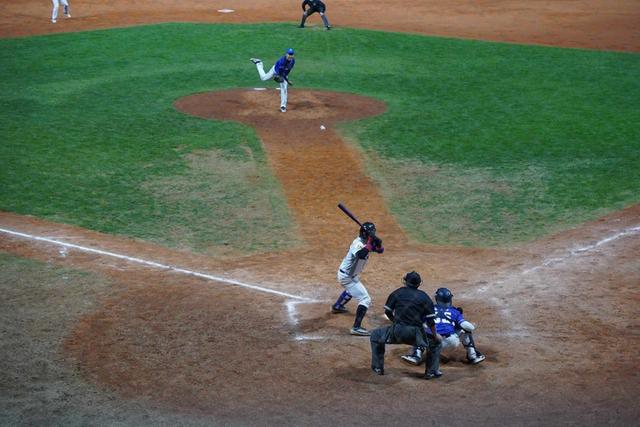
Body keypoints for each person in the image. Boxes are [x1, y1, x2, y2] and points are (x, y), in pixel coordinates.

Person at [370, 271, 443, 379]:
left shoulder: (397, 292)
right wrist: (435, 335)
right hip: (416, 335)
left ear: (405, 281)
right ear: (419, 283)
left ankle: (378, 368)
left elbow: (387, 312)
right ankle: (431, 372)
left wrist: (395, 321)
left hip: (397, 332)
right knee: (436, 343)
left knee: (375, 335)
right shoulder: (424, 297)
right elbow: (430, 321)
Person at [401, 287, 486, 366]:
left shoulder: (429, 308)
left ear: (437, 298)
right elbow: (468, 326)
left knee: (420, 330)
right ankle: (473, 356)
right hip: (451, 342)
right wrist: (467, 325)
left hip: (432, 342)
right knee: (466, 331)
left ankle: (416, 356)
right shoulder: (455, 311)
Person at [331, 222, 384, 336]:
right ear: (365, 234)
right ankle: (356, 327)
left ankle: (337, 306)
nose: (373, 234)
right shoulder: (358, 243)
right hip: (346, 277)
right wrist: (370, 243)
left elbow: (380, 251)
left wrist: (378, 243)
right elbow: (361, 254)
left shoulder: (366, 241)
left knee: (353, 290)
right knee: (365, 299)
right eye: (371, 233)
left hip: (351, 275)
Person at [250, 48, 296, 113]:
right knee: (263, 78)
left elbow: (287, 71)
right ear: (286, 54)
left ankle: (283, 106)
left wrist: (287, 80)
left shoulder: (292, 61)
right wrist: (286, 80)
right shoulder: (282, 61)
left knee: (284, 88)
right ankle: (259, 63)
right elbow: (279, 73)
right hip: (275, 71)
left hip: (283, 74)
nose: (290, 56)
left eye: (291, 54)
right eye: (289, 54)